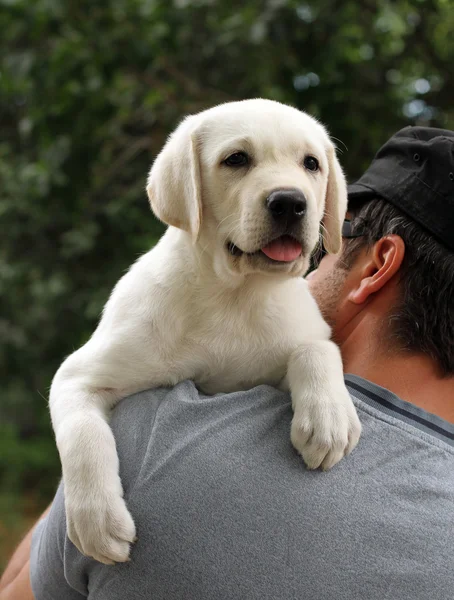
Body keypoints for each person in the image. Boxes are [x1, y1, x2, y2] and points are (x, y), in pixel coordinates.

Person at [1, 126, 453, 600]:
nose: (291, 198)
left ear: (378, 266)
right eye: (238, 160)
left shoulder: (150, 436)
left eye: (337, 235)